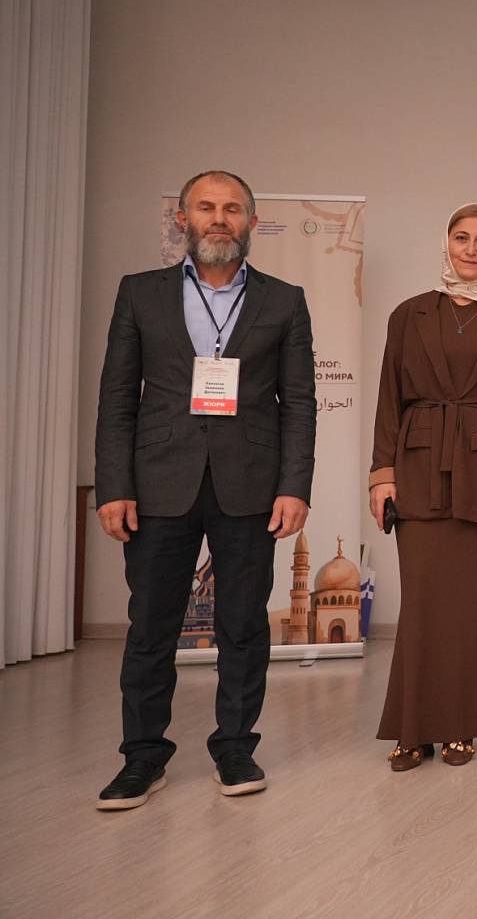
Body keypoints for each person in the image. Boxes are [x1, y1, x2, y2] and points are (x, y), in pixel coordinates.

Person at [92, 169, 316, 810]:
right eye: (207, 207)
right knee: (150, 625)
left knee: (243, 625)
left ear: (252, 222)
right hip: (158, 483)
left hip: (251, 484)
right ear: (183, 219)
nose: (220, 218)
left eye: (233, 208)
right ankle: (142, 758)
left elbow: (299, 402)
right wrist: (114, 486)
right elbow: (117, 398)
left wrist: (294, 485)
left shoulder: (285, 300)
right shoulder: (140, 293)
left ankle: (236, 747)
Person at [368, 204, 477, 770]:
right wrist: (382, 474)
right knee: (422, 603)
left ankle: (462, 724)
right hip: (418, 463)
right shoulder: (409, 314)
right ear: (446, 243)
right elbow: (389, 398)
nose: (471, 249)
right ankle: (413, 728)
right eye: (461, 237)